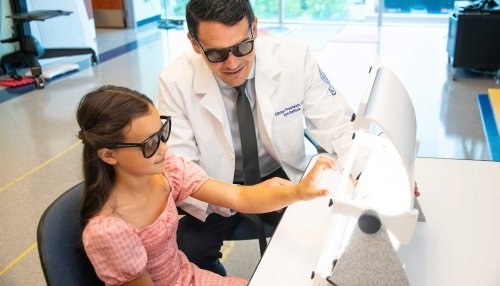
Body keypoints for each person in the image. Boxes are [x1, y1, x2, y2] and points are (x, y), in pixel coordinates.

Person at [157, 0, 361, 275]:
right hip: (215, 185)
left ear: (254, 28)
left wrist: (373, 171)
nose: (233, 63)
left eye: (242, 47)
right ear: (195, 44)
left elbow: (339, 126)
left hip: (279, 172)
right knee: (186, 254)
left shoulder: (293, 59)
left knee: (326, 244)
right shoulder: (175, 81)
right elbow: (181, 168)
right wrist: (243, 197)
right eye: (216, 54)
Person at [77, 85, 335, 286]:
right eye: (149, 144)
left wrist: (298, 192)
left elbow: (240, 196)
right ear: (108, 155)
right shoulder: (110, 230)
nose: (164, 147)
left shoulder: (168, 171)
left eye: (162, 133)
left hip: (188, 277)